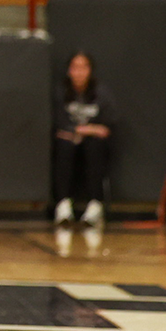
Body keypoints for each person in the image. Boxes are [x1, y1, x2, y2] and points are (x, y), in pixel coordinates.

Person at [53, 51, 115, 228]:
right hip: (68, 141)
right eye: (75, 67)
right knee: (64, 146)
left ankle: (95, 205)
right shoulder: (60, 93)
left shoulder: (101, 93)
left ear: (90, 70)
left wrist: (86, 131)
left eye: (84, 67)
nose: (79, 72)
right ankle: (63, 204)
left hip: (92, 142)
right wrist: (86, 129)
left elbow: (107, 127)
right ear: (69, 71)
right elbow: (59, 125)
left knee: (95, 146)